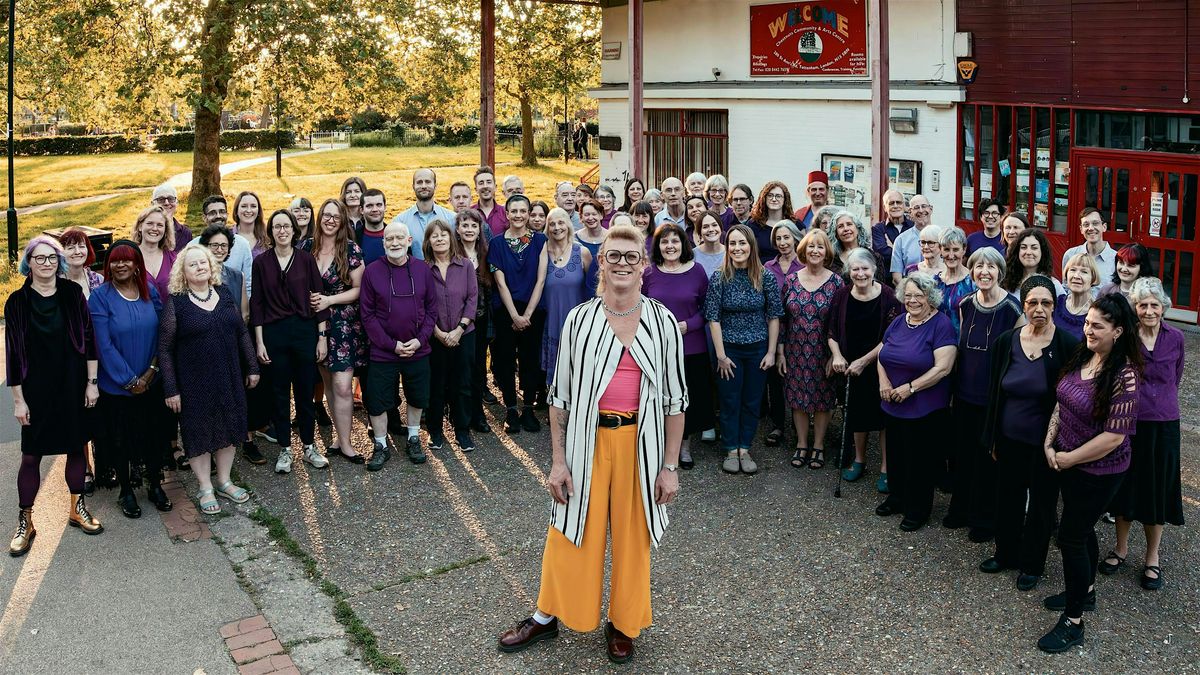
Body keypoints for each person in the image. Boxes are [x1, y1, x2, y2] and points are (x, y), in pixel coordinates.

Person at [497, 223, 685, 664]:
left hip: (640, 445)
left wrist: (670, 466)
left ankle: (623, 624)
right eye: (614, 255)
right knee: (568, 529)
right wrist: (557, 461)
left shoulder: (662, 323)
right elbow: (559, 399)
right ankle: (547, 617)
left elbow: (677, 402)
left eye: (631, 256)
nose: (622, 263)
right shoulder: (581, 321)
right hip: (585, 442)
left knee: (632, 538)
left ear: (644, 266)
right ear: (601, 262)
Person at [1035, 294, 1139, 654]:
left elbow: (1113, 437)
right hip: (1068, 460)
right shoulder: (1084, 354)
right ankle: (1087, 591)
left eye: (1097, 325)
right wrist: (1050, 444)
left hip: (1100, 471)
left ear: (1118, 331)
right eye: (1087, 322)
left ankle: (1074, 622)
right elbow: (1061, 402)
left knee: (1071, 538)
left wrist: (1067, 459)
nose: (1088, 330)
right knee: (1081, 530)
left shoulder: (1124, 376)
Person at [978, 276, 1079, 590]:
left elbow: (1073, 399)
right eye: (1032, 302)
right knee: (1007, 497)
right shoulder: (1006, 341)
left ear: (1054, 306)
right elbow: (993, 392)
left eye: (1046, 303)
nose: (1039, 309)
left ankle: (1032, 564)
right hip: (1008, 438)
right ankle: (1005, 553)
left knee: (1042, 505)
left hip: (1046, 445)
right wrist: (992, 435)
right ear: (1023, 305)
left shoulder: (1067, 345)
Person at [6, 237, 102, 556]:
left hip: (73, 383)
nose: (46, 264)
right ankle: (26, 521)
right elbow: (13, 354)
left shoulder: (72, 294)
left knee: (76, 447)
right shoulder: (17, 302)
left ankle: (77, 508)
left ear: (58, 263)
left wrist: (91, 382)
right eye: (39, 258)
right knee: (31, 455)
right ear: (28, 263)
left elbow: (88, 337)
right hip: (36, 389)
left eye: (51, 258)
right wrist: (19, 399)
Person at [159, 245, 258, 515]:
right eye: (193, 264)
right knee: (198, 432)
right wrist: (171, 388)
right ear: (183, 272)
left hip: (229, 376)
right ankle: (205, 487)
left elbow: (241, 333)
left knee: (229, 427)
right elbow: (165, 349)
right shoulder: (176, 303)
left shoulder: (224, 293)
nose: (200, 267)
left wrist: (252, 367)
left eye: (203, 262)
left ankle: (224, 481)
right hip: (193, 383)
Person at [1104, 278, 1184, 591]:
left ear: (1163, 307)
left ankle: (1152, 557)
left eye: (1154, 305)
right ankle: (1121, 549)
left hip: (1163, 424)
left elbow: (1175, 378)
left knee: (1156, 492)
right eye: (1143, 305)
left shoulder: (1176, 338)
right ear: (1135, 308)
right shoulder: (1126, 339)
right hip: (1129, 423)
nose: (1149, 310)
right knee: (1125, 488)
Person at [942, 247, 1021, 539]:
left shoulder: (1013, 309)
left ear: (1000, 271)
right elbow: (961, 350)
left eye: (990, 266)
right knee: (963, 454)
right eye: (978, 266)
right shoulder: (965, 304)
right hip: (964, 393)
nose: (984, 271)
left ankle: (984, 519)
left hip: (995, 397)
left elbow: (1018, 355)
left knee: (988, 460)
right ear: (971, 271)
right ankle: (959, 509)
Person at [90, 240, 171, 518]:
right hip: (117, 387)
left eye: (127, 260)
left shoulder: (148, 291)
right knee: (121, 441)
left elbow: (163, 332)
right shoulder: (100, 297)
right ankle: (126, 491)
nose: (121, 264)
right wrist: (129, 380)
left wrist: (151, 372)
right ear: (108, 265)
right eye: (115, 260)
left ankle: (155, 485)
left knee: (152, 437)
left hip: (151, 382)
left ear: (137, 264)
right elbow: (103, 345)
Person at [250, 210, 331, 474]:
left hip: (304, 331)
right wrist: (260, 342)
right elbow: (257, 304)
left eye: (286, 226)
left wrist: (321, 337)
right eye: (276, 227)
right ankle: (285, 448)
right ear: (270, 232)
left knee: (306, 391)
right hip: (274, 333)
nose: (282, 231)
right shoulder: (261, 262)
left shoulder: (306, 260)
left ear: (294, 230)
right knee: (279, 392)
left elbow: (319, 299)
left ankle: (309, 445)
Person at [875, 272, 956, 531]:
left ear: (930, 298)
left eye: (919, 296)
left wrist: (910, 388)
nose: (912, 300)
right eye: (908, 295)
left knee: (919, 461)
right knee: (896, 455)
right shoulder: (899, 322)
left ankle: (918, 509)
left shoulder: (941, 324)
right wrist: (884, 383)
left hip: (924, 408)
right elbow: (882, 353)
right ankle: (897, 497)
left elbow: (943, 368)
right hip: (893, 403)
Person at [705, 224, 782, 475]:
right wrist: (721, 355)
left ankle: (745, 448)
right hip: (728, 350)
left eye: (743, 243)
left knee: (751, 400)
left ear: (751, 246)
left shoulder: (765, 276)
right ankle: (730, 448)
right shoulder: (720, 277)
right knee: (730, 400)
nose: (738, 248)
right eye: (734, 243)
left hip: (758, 348)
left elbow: (773, 315)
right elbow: (713, 318)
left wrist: (771, 352)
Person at [359, 221, 437, 469]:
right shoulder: (372, 271)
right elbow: (367, 315)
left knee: (417, 395)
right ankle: (380, 444)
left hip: (417, 348)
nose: (394, 242)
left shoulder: (423, 269)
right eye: (389, 238)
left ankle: (414, 438)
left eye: (399, 238)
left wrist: (420, 339)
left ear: (408, 241)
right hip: (384, 351)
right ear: (383, 243)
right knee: (377, 398)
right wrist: (391, 345)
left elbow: (432, 310)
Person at [827, 248, 902, 484]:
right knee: (855, 414)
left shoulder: (889, 295)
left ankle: (886, 468)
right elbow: (830, 330)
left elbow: (891, 337)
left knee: (883, 418)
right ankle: (859, 460)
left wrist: (864, 361)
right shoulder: (841, 295)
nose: (860, 274)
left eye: (865, 269)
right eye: (855, 269)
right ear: (849, 271)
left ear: (874, 270)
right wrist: (837, 355)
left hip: (881, 364)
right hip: (850, 365)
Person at [642, 222, 710, 470]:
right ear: (658, 246)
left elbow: (707, 310)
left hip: (691, 346)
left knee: (686, 398)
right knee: (658, 397)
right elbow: (641, 308)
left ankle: (684, 447)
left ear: (683, 244)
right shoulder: (649, 273)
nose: (670, 246)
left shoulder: (697, 271)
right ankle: (659, 444)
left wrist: (688, 325)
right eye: (664, 241)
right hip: (656, 348)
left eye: (675, 241)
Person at [306, 198, 367, 462]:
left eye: (336, 217)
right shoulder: (307, 247)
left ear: (342, 221)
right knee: (329, 383)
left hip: (344, 324)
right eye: (326, 215)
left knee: (343, 386)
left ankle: (347, 444)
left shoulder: (351, 249)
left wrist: (330, 300)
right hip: (315, 324)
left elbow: (358, 289)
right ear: (319, 218)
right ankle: (338, 439)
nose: (330, 221)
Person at [780, 228, 844, 469]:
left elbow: (839, 322)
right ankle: (802, 444)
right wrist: (780, 352)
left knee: (823, 399)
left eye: (820, 247)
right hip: (795, 350)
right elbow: (783, 319)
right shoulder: (791, 280)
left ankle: (818, 445)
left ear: (826, 251)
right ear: (803, 251)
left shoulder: (837, 282)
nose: (815, 251)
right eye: (810, 247)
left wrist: (835, 355)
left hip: (823, 351)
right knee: (797, 400)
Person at [490, 194, 549, 434]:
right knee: (504, 360)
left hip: (534, 308)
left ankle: (528, 409)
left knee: (530, 359)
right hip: (506, 310)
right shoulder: (496, 243)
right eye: (513, 211)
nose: (518, 215)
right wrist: (515, 316)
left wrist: (528, 314)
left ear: (528, 213)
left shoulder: (540, 240)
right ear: (506, 213)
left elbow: (541, 278)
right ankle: (511, 409)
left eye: (522, 211)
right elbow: (500, 283)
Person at [422, 219, 479, 453]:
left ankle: (462, 430)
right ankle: (435, 430)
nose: (439, 239)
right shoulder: (423, 269)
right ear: (428, 241)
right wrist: (437, 332)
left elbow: (473, 299)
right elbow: (423, 305)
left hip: (463, 335)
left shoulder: (465, 265)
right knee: (436, 385)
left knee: (462, 384)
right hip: (435, 337)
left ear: (450, 237)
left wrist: (459, 330)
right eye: (434, 236)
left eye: (443, 234)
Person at [541, 207, 592, 387]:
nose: (557, 227)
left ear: (569, 225)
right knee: (555, 376)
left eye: (561, 222)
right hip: (552, 319)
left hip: (577, 322)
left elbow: (592, 288)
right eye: (552, 224)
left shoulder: (582, 252)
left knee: (577, 370)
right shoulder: (543, 252)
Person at [456, 208, 494, 434]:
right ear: (457, 230)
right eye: (465, 225)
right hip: (459, 322)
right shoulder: (452, 255)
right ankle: (461, 414)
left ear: (480, 230)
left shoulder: (486, 255)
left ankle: (478, 414)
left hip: (481, 320)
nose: (469, 229)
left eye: (473, 225)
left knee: (478, 368)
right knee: (462, 369)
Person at [391, 168, 456, 261]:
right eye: (419, 182)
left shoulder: (451, 218)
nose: (424, 186)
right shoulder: (400, 221)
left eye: (428, 182)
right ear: (413, 186)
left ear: (435, 185)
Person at [202, 194, 253, 299]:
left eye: (222, 211)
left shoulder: (242, 245)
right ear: (204, 218)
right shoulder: (194, 245)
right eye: (212, 213)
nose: (218, 216)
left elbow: (248, 284)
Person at [198, 224, 249, 321]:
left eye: (224, 245)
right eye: (215, 245)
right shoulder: (197, 276)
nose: (220, 250)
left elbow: (245, 315)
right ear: (205, 246)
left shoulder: (238, 276)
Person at [933, 226, 976, 335]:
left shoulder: (973, 282)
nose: (951, 255)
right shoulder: (934, 282)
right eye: (946, 249)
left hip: (963, 341)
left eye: (956, 249)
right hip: (937, 341)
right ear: (940, 250)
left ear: (964, 249)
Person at [132, 205, 178, 304]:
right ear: (140, 226)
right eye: (150, 223)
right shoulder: (130, 258)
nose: (154, 228)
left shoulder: (174, 259)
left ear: (165, 230)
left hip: (170, 317)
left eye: (160, 225)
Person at [1003, 228, 1064, 299]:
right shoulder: (1005, 283)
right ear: (1017, 251)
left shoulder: (1054, 285)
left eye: (1034, 248)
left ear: (1042, 251)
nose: (1028, 252)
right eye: (1023, 247)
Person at [1060, 208, 1116, 283]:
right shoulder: (1070, 255)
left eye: (1095, 223)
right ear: (1081, 229)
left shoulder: (1116, 259)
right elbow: (1066, 286)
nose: (1091, 228)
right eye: (1086, 225)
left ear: (1104, 227)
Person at [888, 195, 934, 285]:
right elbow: (897, 277)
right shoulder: (901, 241)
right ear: (910, 213)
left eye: (924, 206)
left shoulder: (941, 237)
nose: (921, 210)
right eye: (916, 208)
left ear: (931, 209)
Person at [1054, 253, 1102, 340]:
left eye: (1084, 272)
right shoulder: (1057, 303)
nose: (1076, 276)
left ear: (1093, 278)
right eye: (1073, 270)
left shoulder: (1098, 311)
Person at [828, 211, 884, 281]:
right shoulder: (831, 261)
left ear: (858, 229)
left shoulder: (874, 257)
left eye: (849, 224)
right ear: (836, 234)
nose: (846, 229)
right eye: (840, 226)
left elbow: (880, 286)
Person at [871, 190, 914, 274]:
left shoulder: (913, 227)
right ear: (884, 207)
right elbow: (882, 254)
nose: (895, 206)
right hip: (887, 281)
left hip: (911, 279)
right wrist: (906, 253)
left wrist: (893, 247)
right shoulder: (878, 229)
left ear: (904, 206)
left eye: (898, 202)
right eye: (891, 203)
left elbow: (917, 253)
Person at [747, 181, 792, 261]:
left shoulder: (794, 224)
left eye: (778, 196)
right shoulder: (753, 225)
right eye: (770, 196)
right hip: (761, 271)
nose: (774, 199)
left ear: (785, 199)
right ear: (764, 198)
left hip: (789, 272)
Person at [59, 227, 104, 298]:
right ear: (61, 253)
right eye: (70, 248)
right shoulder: (56, 282)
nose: (77, 252)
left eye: (81, 246)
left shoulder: (99, 280)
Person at [151, 183, 193, 252]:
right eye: (161, 199)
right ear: (152, 204)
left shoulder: (186, 233)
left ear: (177, 203)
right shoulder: (146, 230)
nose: (167, 203)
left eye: (171, 199)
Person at [575, 200, 606, 294]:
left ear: (601, 215)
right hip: (580, 291)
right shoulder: (574, 239)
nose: (590, 218)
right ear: (581, 218)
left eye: (594, 214)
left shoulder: (611, 238)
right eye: (587, 214)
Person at [356, 188, 390, 264]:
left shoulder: (396, 236)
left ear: (385, 207)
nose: (375, 209)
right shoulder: (353, 238)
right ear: (361, 210)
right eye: (369, 206)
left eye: (379, 205)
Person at [473, 166, 508, 236]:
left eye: (489, 182)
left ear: (495, 187)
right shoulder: (470, 213)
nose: (485, 186)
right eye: (481, 183)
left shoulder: (505, 214)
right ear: (476, 189)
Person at [234, 191, 269, 258]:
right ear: (236, 210)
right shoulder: (227, 236)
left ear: (258, 211)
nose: (249, 210)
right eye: (244, 206)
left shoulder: (268, 237)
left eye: (253, 206)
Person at [692, 210, 726, 279]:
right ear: (700, 232)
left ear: (720, 228)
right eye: (705, 227)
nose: (711, 229)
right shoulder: (693, 255)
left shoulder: (729, 252)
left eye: (714, 225)